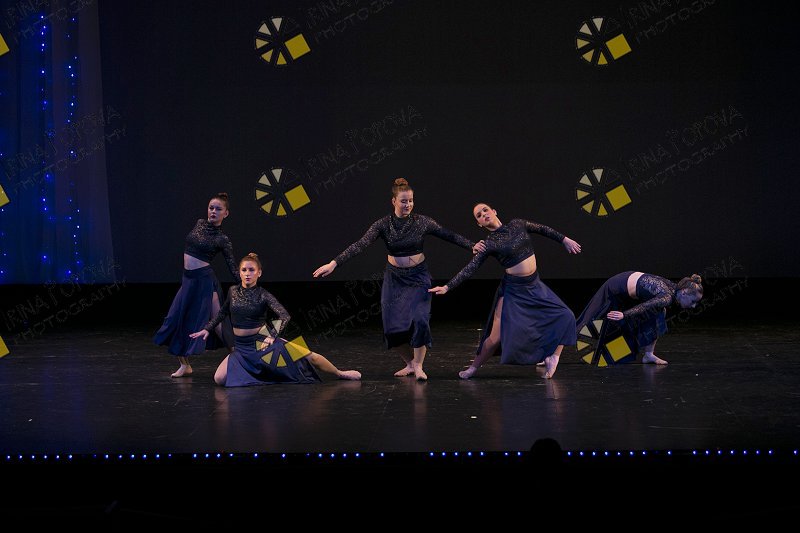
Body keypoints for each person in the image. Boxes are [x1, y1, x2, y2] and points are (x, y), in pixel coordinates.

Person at [313, 178, 480, 381]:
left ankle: (418, 365)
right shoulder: (383, 224)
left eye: (410, 201)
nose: (408, 205)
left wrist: (472, 245)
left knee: (420, 318)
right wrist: (334, 263)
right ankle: (409, 363)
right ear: (393, 201)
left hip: (418, 276)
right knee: (391, 327)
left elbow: (448, 235)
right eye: (403, 201)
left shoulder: (423, 222)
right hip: (395, 278)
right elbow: (360, 245)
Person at [429, 202, 581, 379]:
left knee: (566, 316)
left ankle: (553, 357)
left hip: (534, 285)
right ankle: (473, 368)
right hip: (514, 290)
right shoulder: (488, 244)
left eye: (485, 210)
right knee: (496, 337)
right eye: (479, 215)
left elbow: (543, 229)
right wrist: (447, 286)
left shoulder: (518, 224)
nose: (484, 214)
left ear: (494, 211)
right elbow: (470, 268)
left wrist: (564, 240)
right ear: (480, 224)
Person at [191, 253, 361, 386]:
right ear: (239, 272)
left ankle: (339, 372)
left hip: (261, 341)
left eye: (251, 270)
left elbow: (285, 315)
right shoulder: (232, 291)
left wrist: (272, 335)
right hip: (242, 348)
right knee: (219, 378)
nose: (247, 274)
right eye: (244, 270)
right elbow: (222, 313)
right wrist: (207, 328)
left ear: (259, 273)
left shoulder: (264, 294)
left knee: (311, 357)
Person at [154, 192, 238, 378]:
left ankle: (241, 361)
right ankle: (185, 365)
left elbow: (232, 266)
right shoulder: (199, 223)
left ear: (226, 213)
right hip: (188, 281)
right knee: (175, 319)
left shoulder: (222, 239)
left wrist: (247, 285)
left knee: (218, 324)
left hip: (205, 282)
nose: (213, 211)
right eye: (211, 208)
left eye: (218, 209)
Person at [575, 271, 703, 365]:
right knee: (590, 317)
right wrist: (624, 314)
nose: (693, 306)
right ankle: (563, 342)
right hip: (615, 287)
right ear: (684, 292)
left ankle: (648, 355)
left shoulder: (673, 288)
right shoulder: (667, 297)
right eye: (693, 301)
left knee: (658, 315)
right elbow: (645, 306)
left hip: (629, 291)